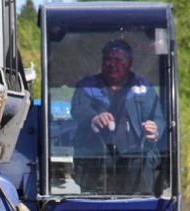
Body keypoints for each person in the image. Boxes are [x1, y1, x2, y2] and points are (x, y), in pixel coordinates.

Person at [70, 39, 165, 194]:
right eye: (107, 59)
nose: (111, 64)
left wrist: (155, 130)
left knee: (142, 168)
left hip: (136, 161)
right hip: (95, 161)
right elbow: (78, 108)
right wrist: (94, 118)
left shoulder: (144, 88)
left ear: (129, 63)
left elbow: (158, 118)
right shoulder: (87, 86)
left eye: (117, 60)